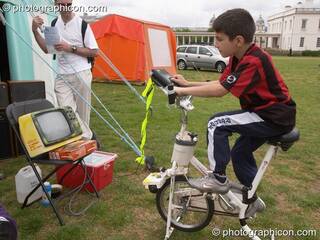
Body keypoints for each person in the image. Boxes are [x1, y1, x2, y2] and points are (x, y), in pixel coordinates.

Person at [172, 9, 296, 216]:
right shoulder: (239, 58)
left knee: (216, 123)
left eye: (219, 39)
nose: (215, 44)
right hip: (268, 114)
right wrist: (187, 83)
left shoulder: (254, 61)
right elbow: (222, 82)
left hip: (273, 117)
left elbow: (220, 91)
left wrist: (181, 91)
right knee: (239, 153)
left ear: (238, 40)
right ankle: (252, 198)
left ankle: (217, 178)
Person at [31, 0, 99, 140]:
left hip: (82, 73)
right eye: (62, 4)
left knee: (82, 114)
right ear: (56, 5)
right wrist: (34, 31)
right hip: (62, 74)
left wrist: (71, 48)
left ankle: (83, 146)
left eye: (68, 4)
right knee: (66, 111)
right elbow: (46, 49)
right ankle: (89, 137)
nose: (66, 7)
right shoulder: (54, 23)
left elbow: (94, 52)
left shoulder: (82, 24)